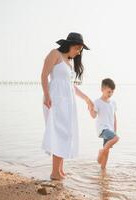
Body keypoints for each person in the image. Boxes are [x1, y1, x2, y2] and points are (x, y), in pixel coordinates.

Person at [41, 32, 94, 180]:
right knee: (59, 133)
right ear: (70, 44)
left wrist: (86, 99)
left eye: (80, 50)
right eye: (77, 48)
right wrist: (46, 95)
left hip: (67, 102)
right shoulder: (55, 54)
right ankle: (54, 172)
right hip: (55, 100)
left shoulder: (68, 62)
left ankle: (60, 170)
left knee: (66, 133)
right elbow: (44, 75)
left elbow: (71, 87)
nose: (78, 52)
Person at [88, 78, 120, 169]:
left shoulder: (113, 103)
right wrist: (90, 108)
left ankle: (103, 171)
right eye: (109, 92)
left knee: (107, 151)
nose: (110, 94)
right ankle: (100, 152)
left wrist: (114, 130)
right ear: (102, 90)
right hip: (102, 129)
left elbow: (114, 117)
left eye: (112, 92)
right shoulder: (98, 102)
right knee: (116, 138)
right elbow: (93, 115)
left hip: (110, 129)